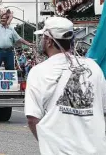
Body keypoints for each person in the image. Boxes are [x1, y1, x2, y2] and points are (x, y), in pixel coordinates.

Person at [24, 17, 106, 154]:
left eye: (43, 37)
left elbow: (32, 119)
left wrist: (49, 143)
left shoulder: (38, 72)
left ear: (49, 41)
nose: (41, 41)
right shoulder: (93, 67)